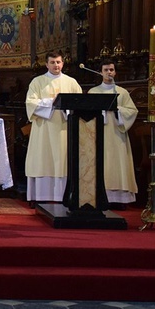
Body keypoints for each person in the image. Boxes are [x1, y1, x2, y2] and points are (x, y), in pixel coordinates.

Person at [24, 50, 82, 203]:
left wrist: (64, 105)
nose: (56, 65)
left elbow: (80, 103)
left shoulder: (72, 82)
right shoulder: (37, 82)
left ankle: (64, 196)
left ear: (62, 63)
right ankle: (40, 196)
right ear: (46, 64)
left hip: (64, 129)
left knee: (62, 159)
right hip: (43, 129)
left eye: (58, 62)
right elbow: (30, 103)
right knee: (43, 159)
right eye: (52, 62)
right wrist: (52, 102)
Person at [87, 59, 139, 206]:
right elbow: (88, 113)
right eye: (106, 70)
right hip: (99, 133)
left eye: (111, 70)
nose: (109, 72)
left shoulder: (122, 92)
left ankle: (119, 199)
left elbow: (132, 111)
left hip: (117, 133)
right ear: (100, 72)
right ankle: (98, 196)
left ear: (115, 72)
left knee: (118, 163)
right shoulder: (94, 92)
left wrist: (118, 110)